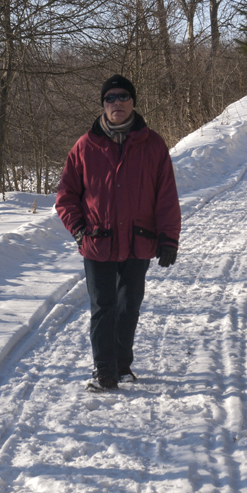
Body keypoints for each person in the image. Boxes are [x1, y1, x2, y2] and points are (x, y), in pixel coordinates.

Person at [56, 74, 181, 390]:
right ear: (103, 104)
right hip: (98, 242)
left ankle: (122, 365)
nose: (117, 103)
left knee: (129, 306)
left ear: (133, 102)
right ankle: (104, 371)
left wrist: (169, 238)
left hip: (139, 241)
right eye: (110, 98)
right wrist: (79, 231)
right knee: (103, 308)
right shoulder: (85, 147)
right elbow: (66, 196)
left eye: (123, 97)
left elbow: (165, 195)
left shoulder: (152, 145)